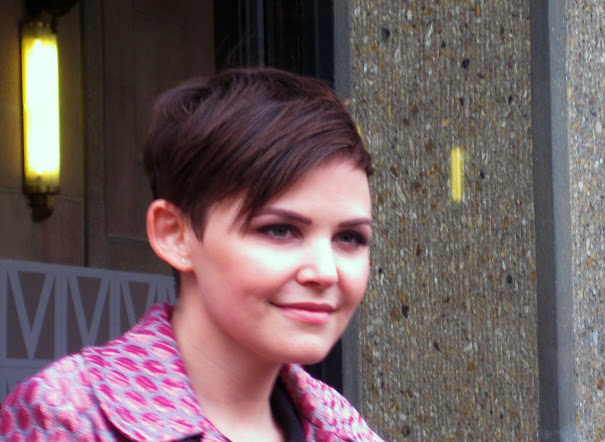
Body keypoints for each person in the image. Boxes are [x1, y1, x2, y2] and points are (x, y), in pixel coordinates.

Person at [0, 67, 383, 441]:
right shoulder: (68, 417)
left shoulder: (343, 429)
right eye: (279, 230)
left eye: (350, 237)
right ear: (175, 234)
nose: (325, 271)